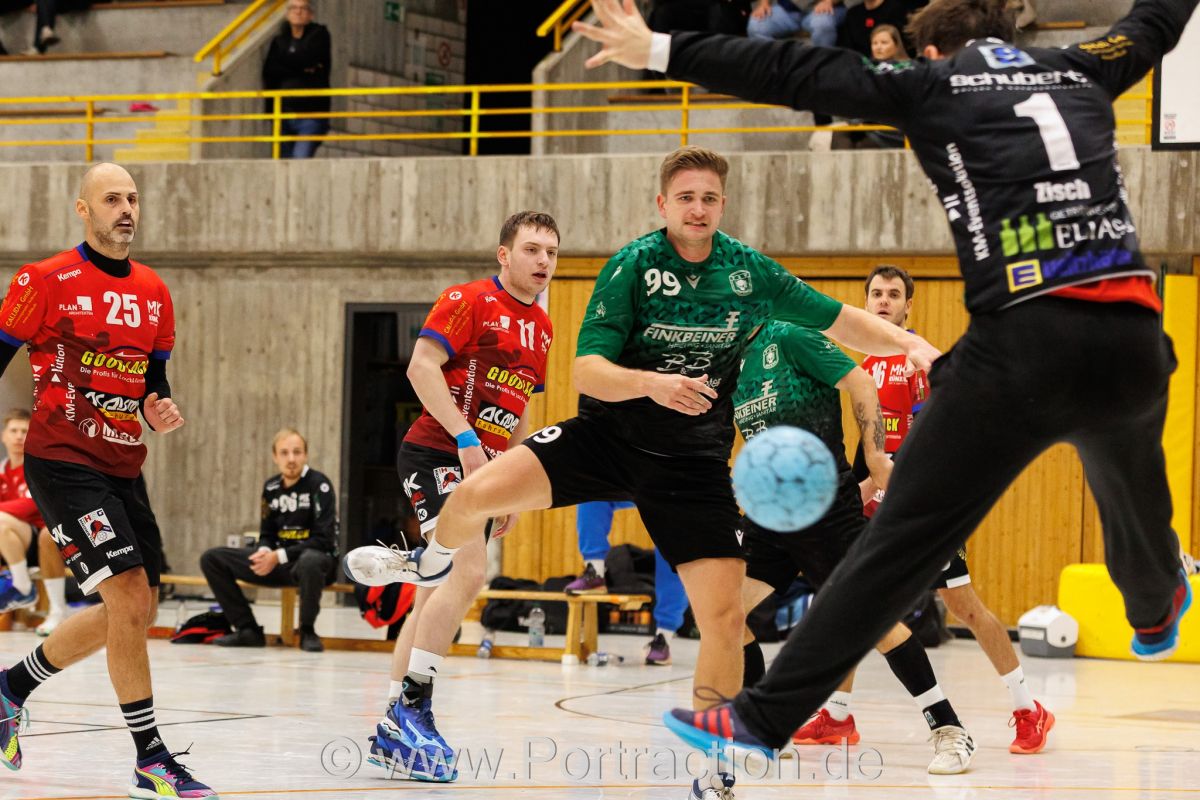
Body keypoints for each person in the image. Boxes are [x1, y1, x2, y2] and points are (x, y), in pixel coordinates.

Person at [572, 0, 1196, 756]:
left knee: (894, 548)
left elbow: (793, 68)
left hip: (1019, 342)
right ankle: (1155, 605)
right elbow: (1156, 22)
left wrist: (660, 48)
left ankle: (762, 720)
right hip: (1132, 334)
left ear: (929, 52)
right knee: (1131, 486)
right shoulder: (1082, 65)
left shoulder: (934, 85)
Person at [345, 145, 938, 797]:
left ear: (722, 205)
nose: (697, 208)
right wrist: (653, 384)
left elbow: (841, 318)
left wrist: (909, 342)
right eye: (686, 197)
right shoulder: (633, 265)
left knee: (723, 617)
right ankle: (428, 560)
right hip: (608, 439)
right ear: (663, 204)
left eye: (709, 198)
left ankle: (716, 775)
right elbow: (587, 372)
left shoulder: (748, 272)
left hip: (692, 466)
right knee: (476, 495)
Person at [0, 163, 217, 796]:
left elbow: (153, 379)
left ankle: (11, 688)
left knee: (138, 605)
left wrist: (157, 406)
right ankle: (151, 759)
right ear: (84, 209)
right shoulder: (44, 280)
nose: (126, 209)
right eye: (112, 199)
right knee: (125, 595)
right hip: (62, 459)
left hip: (123, 463)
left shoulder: (154, 290)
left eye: (132, 199)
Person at [352, 211, 557, 782]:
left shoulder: (542, 326)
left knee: (431, 596)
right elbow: (421, 368)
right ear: (504, 255)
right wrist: (466, 439)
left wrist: (513, 481)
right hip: (438, 452)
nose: (543, 261)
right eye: (532, 249)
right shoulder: (468, 299)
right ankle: (413, 708)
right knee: (468, 572)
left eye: (551, 252)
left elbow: (519, 408)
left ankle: (390, 729)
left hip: (485, 471)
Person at [735, 320, 977, 773]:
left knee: (872, 620)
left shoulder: (789, 336)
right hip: (771, 511)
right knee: (726, 613)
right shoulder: (730, 360)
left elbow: (861, 381)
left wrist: (875, 455)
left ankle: (949, 728)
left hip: (825, 504)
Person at [200, 428, 339, 653]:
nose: (291, 459)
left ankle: (307, 631)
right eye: (284, 453)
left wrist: (278, 556)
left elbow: (324, 540)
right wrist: (264, 551)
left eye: (297, 452)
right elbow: (267, 533)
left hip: (316, 564)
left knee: (310, 560)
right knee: (212, 559)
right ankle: (248, 630)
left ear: (305, 455)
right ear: (275, 456)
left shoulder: (319, 485)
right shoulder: (271, 487)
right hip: (279, 562)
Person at [565, 500, 688, 665]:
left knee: (672, 542)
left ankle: (664, 637)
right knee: (593, 493)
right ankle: (594, 571)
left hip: (673, 492)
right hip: (638, 483)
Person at [261, 0, 332, 159]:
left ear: (310, 15)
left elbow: (309, 59)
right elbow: (270, 70)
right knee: (283, 165)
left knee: (300, 162)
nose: (298, 12)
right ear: (287, 14)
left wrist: (285, 64)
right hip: (282, 114)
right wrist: (301, 68)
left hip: (311, 115)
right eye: (294, 8)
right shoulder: (279, 41)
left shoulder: (319, 35)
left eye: (303, 8)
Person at [0, 409, 46, 614]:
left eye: (24, 431)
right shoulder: (2, 470)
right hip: (7, 538)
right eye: (14, 431)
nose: (19, 436)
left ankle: (24, 588)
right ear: (4, 436)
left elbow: (32, 505)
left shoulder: (37, 467)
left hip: (40, 539)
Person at [839, 0, 925, 57]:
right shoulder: (853, 14)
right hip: (860, 68)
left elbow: (906, 46)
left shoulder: (897, 10)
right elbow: (846, 47)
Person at [747, 0, 845, 46]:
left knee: (822, 24)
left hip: (820, 8)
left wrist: (828, 2)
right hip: (788, 10)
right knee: (756, 24)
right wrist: (764, 4)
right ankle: (774, 65)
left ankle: (822, 66)